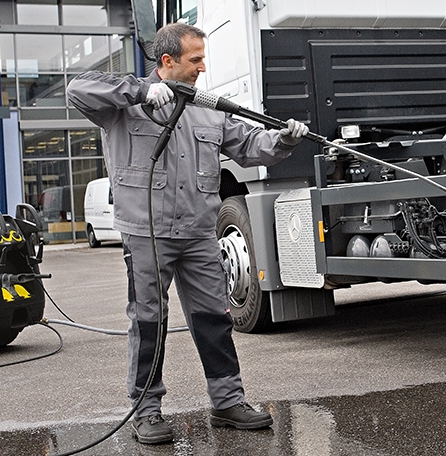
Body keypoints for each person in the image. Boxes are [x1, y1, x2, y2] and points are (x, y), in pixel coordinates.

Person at [66, 23, 308, 445]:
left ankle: (227, 401)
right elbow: (76, 89)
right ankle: (146, 410)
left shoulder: (208, 109)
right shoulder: (124, 103)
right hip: (147, 233)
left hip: (198, 231)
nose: (202, 66)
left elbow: (250, 145)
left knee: (215, 317)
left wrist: (283, 140)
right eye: (194, 59)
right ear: (167, 61)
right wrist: (139, 93)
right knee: (149, 322)